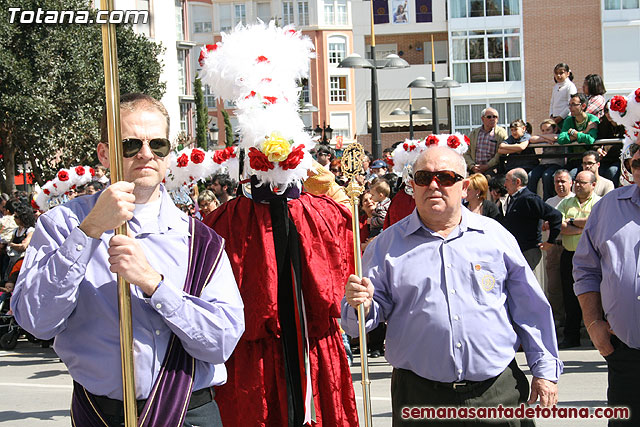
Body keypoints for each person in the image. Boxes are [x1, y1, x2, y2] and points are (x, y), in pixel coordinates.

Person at [11, 93, 245, 427]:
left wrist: (154, 283)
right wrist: (90, 230)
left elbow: (221, 342)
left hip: (186, 412)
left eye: (158, 144)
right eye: (130, 144)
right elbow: (35, 320)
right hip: (101, 414)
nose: (146, 154)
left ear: (169, 154)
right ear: (104, 153)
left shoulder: (201, 240)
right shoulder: (63, 224)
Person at [343, 145, 561, 426]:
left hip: (496, 392)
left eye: (446, 177)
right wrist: (359, 303)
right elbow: (359, 323)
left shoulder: (495, 236)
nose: (434, 185)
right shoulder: (386, 245)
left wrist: (544, 372)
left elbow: (530, 308)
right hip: (419, 397)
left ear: (464, 186)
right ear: (412, 186)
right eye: (423, 178)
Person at [573, 143, 640, 426]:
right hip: (625, 353)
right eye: (636, 163)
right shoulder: (608, 208)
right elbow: (586, 269)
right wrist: (593, 323)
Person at [555, 170, 599, 349]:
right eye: (577, 182)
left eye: (583, 182)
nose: (578, 185)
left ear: (593, 185)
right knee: (569, 297)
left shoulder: (600, 203)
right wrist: (583, 226)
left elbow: (596, 224)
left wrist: (571, 222)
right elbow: (559, 225)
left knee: (596, 296)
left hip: (593, 257)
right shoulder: (566, 202)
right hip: (570, 255)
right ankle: (571, 336)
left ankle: (596, 335)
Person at [502, 168, 562, 271]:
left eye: (507, 180)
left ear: (517, 182)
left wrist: (550, 241)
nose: (504, 184)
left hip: (528, 251)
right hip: (517, 250)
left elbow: (556, 216)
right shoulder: (513, 199)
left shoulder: (530, 199)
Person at [543, 169, 574, 328]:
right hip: (554, 247)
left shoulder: (576, 200)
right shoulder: (549, 202)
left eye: (563, 181)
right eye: (557, 181)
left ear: (571, 183)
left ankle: (577, 322)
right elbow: (544, 225)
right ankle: (558, 321)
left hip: (572, 247)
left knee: (573, 286)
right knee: (554, 286)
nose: (560, 185)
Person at [558, 93, 600, 174]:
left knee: (572, 175)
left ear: (583, 106)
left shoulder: (593, 119)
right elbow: (561, 139)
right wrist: (584, 132)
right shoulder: (569, 120)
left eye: (574, 104)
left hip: (587, 161)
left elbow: (590, 139)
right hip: (572, 159)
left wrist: (573, 133)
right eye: (569, 105)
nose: (570, 108)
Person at [527, 119, 564, 200]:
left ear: (555, 129)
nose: (545, 132)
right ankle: (531, 200)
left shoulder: (561, 136)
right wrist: (545, 139)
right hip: (543, 164)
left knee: (547, 176)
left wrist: (542, 137)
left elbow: (555, 137)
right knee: (531, 175)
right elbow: (531, 139)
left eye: (548, 130)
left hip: (556, 164)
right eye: (543, 131)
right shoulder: (544, 138)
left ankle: (547, 200)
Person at [464, 107, 508, 174]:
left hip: (493, 171)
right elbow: (466, 152)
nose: (492, 119)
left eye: (495, 117)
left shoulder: (501, 133)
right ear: (482, 119)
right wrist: (472, 166)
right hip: (474, 170)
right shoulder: (474, 133)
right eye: (489, 117)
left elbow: (501, 153)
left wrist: (487, 166)